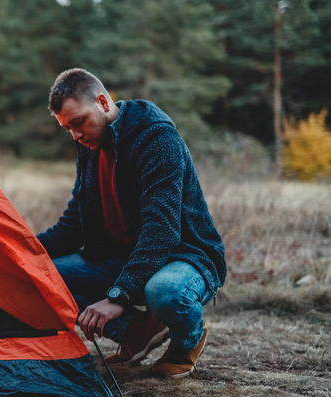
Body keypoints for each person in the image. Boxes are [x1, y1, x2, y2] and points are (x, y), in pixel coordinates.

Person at [36, 68, 226, 378]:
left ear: (102, 102)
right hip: (125, 258)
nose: (75, 135)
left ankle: (186, 340)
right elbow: (73, 225)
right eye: (67, 128)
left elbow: (161, 229)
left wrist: (118, 296)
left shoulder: (155, 137)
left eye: (79, 122)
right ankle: (136, 330)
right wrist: (19, 249)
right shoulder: (89, 147)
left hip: (184, 256)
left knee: (164, 292)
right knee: (39, 276)